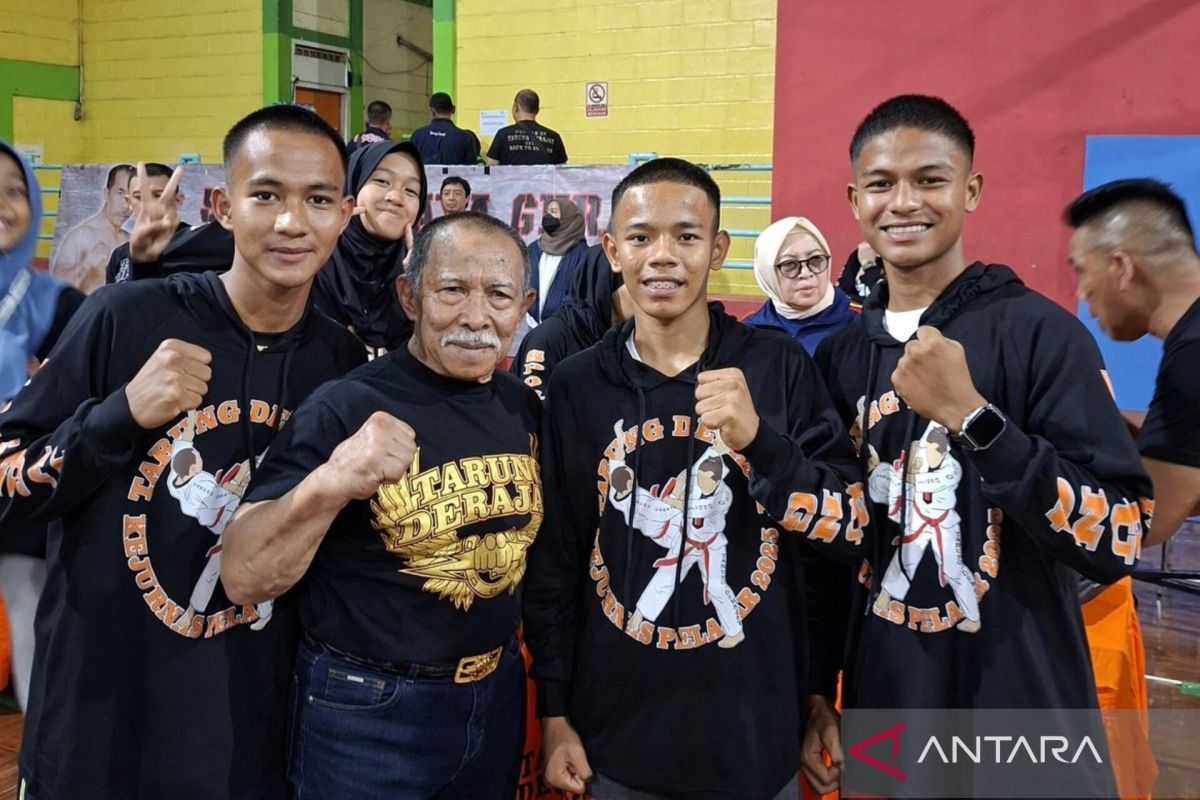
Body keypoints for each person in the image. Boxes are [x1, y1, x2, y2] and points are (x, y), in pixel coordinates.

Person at [0, 105, 365, 800]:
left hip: (245, 745)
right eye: (266, 196)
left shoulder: (340, 362)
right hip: (96, 739)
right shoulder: (126, 317)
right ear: (224, 206)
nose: (292, 222)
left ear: (344, 214)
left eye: (317, 200)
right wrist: (116, 417)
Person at [812, 95, 1152, 796]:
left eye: (930, 180)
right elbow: (828, 553)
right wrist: (817, 688)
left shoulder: (1041, 334)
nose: (904, 202)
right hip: (885, 707)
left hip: (1021, 701)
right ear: (854, 200)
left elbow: (1119, 536)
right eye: (881, 184)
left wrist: (978, 421)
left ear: (971, 190)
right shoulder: (841, 359)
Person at [523, 158, 866, 799]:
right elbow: (558, 560)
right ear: (612, 249)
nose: (662, 256)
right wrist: (555, 708)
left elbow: (845, 535)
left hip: (757, 733)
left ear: (718, 248)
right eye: (641, 236)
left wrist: (763, 444)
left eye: (685, 236)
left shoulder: (779, 367)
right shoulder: (576, 386)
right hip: (614, 737)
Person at [219, 211, 541, 800]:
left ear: (523, 306)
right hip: (366, 708)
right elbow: (241, 574)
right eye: (451, 290)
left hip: (494, 697)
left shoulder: (525, 409)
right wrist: (332, 480)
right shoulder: (346, 406)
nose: (476, 316)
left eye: (497, 295)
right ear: (409, 296)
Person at [1066, 178, 1200, 547]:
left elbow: (1141, 525)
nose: (1081, 292)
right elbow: (1186, 466)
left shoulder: (1192, 359)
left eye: (1080, 270)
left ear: (1122, 268)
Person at [0, 141, 84, 714]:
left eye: (14, 190)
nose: (4, 204)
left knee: (34, 638)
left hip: (11, 496)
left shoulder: (49, 299)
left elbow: (102, 361)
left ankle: (37, 766)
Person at [310, 139, 427, 354]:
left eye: (411, 190)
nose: (395, 197)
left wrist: (420, 287)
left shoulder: (422, 266)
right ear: (352, 185)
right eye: (382, 181)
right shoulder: (310, 258)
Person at [513, 242, 631, 399]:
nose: (646, 296)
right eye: (635, 286)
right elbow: (532, 414)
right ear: (605, 285)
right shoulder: (548, 339)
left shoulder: (627, 337)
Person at [744, 216, 858, 354]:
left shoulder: (861, 324)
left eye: (816, 259)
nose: (805, 273)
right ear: (767, 273)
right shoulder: (750, 332)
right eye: (789, 264)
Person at [50, 162, 134, 293]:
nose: (126, 205)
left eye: (133, 197)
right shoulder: (81, 236)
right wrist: (86, 264)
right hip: (88, 311)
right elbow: (55, 288)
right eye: (120, 193)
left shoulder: (130, 240)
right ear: (106, 194)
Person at [106, 162, 190, 284]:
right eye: (139, 197)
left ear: (177, 200)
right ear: (128, 202)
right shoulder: (120, 255)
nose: (148, 205)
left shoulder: (196, 243)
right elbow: (113, 300)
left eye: (158, 196)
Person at [527, 198, 588, 326]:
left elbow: (581, 294)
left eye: (553, 212)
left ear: (567, 218)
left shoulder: (582, 254)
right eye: (547, 211)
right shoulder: (534, 248)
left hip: (563, 327)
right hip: (533, 324)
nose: (547, 216)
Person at [486, 89, 567, 166]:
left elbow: (491, 167)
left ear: (516, 107)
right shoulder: (554, 137)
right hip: (543, 181)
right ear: (537, 110)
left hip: (511, 181)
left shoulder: (503, 134)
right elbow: (562, 171)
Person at [411, 92, 481, 166]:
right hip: (454, 177)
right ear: (453, 109)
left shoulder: (418, 135)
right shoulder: (466, 138)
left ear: (432, 110)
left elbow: (410, 165)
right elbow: (471, 171)